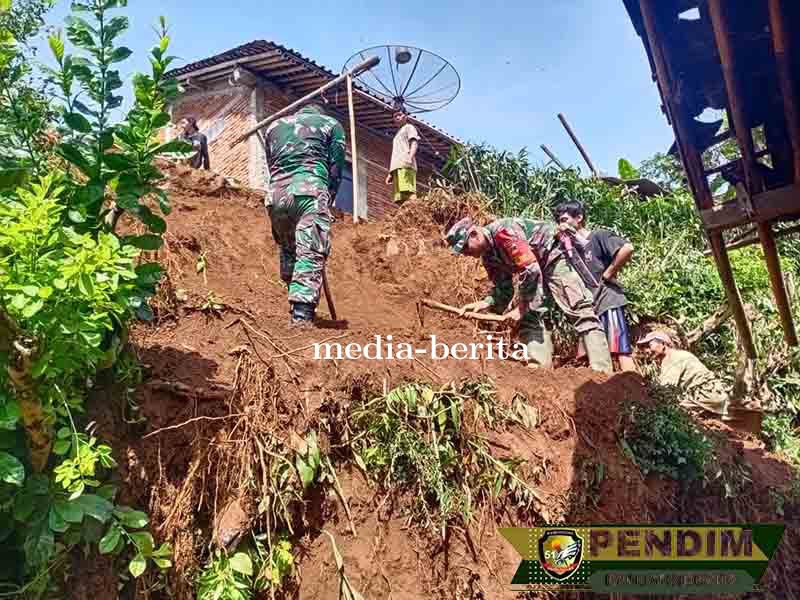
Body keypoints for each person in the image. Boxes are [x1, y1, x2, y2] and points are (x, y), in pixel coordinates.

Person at [446, 216, 613, 374]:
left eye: (466, 247)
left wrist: (520, 308)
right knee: (530, 318)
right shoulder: (489, 257)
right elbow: (504, 289)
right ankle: (540, 373)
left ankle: (601, 371)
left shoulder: (503, 232)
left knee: (579, 309)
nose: (466, 253)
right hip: (534, 271)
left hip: (552, 258)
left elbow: (531, 269)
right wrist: (485, 303)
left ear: (475, 234)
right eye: (462, 251)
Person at [264, 102, 346, 326]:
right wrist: (328, 198)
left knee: (290, 249)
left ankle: (294, 303)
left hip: (276, 196)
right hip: (309, 191)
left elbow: (271, 164)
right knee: (310, 251)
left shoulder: (273, 127)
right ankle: (301, 315)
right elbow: (336, 168)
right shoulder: (331, 124)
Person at [554, 200, 637, 372]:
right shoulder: (570, 248)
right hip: (589, 307)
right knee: (587, 355)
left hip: (608, 301)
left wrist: (608, 273)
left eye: (564, 219)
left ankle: (636, 392)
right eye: (559, 221)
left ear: (579, 218)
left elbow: (627, 248)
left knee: (620, 351)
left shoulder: (598, 236)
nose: (562, 224)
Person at [637, 330, 731, 419]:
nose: (647, 350)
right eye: (644, 348)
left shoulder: (672, 359)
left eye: (649, 345)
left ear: (663, 344)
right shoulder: (677, 355)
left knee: (671, 414)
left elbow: (666, 390)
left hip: (706, 396)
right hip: (710, 394)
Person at [385, 110, 419, 205]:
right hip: (397, 167)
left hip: (405, 164)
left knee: (408, 191)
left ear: (405, 116)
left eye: (399, 115)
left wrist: (410, 157)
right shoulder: (397, 135)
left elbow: (414, 143)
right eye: (395, 116)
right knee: (400, 197)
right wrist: (391, 173)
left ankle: (418, 211)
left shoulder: (409, 127)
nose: (397, 117)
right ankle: (407, 215)